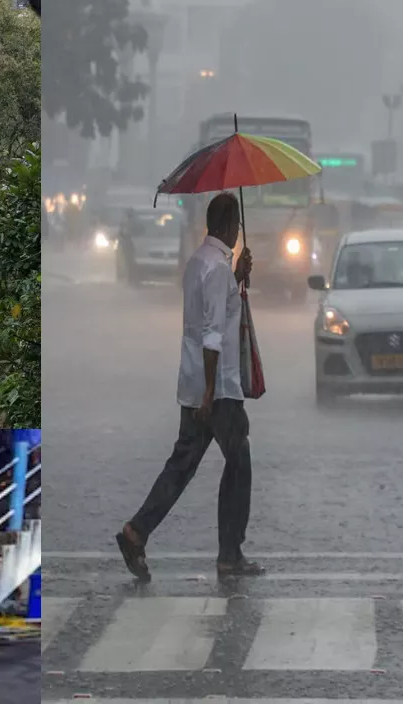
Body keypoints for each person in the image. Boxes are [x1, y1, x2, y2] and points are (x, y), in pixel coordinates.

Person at [115, 191, 261, 581]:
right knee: (239, 460)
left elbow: (211, 311)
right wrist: (211, 394)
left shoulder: (201, 262)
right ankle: (230, 554)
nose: (236, 234)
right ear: (230, 225)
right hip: (217, 389)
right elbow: (213, 334)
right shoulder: (215, 268)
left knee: (181, 466)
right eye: (237, 227)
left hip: (194, 383)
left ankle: (135, 532)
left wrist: (238, 278)